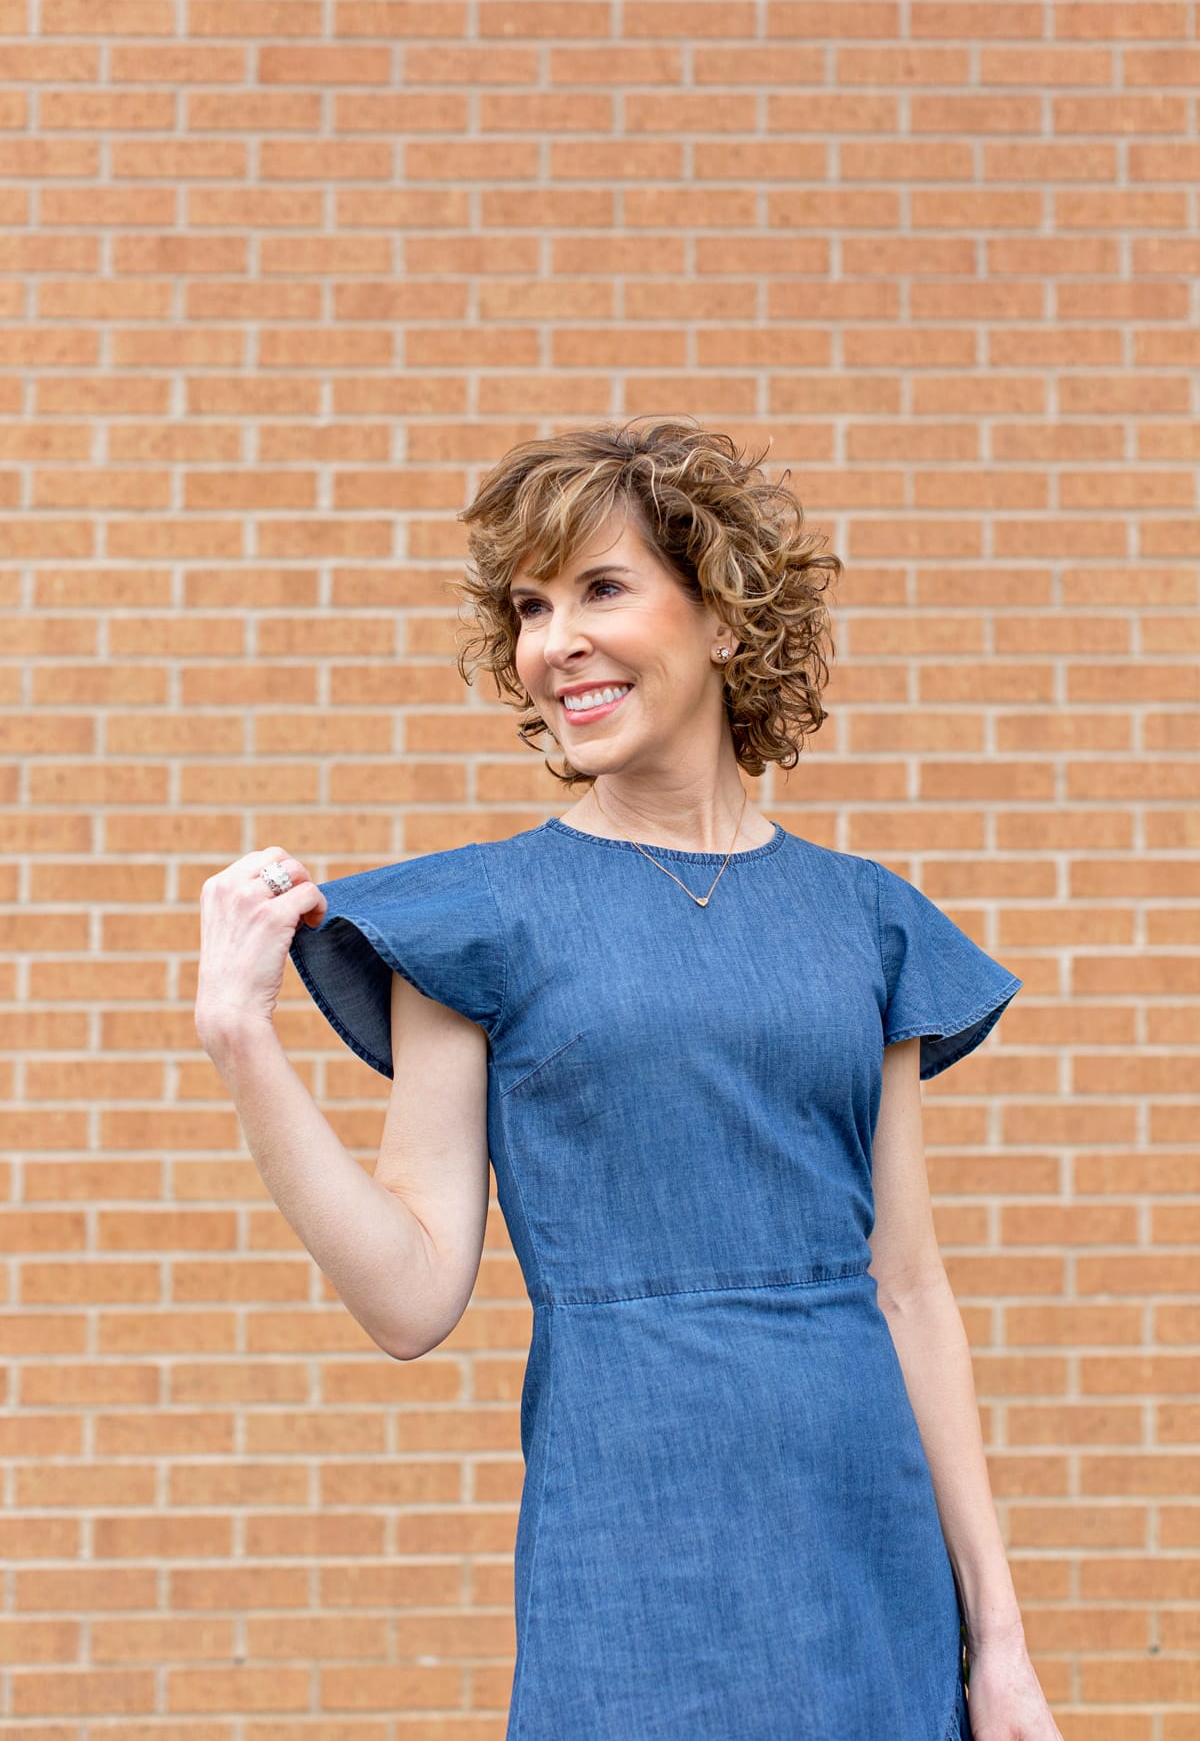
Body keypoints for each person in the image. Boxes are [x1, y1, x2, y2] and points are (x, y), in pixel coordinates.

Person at [198, 417, 1062, 1740]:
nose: (557, 643)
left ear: (721, 617)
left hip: (865, 1550)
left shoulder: (869, 922)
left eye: (601, 589)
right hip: (630, 1554)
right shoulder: (476, 917)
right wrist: (243, 1041)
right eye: (532, 608)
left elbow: (907, 1289)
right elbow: (413, 1297)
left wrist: (997, 1644)